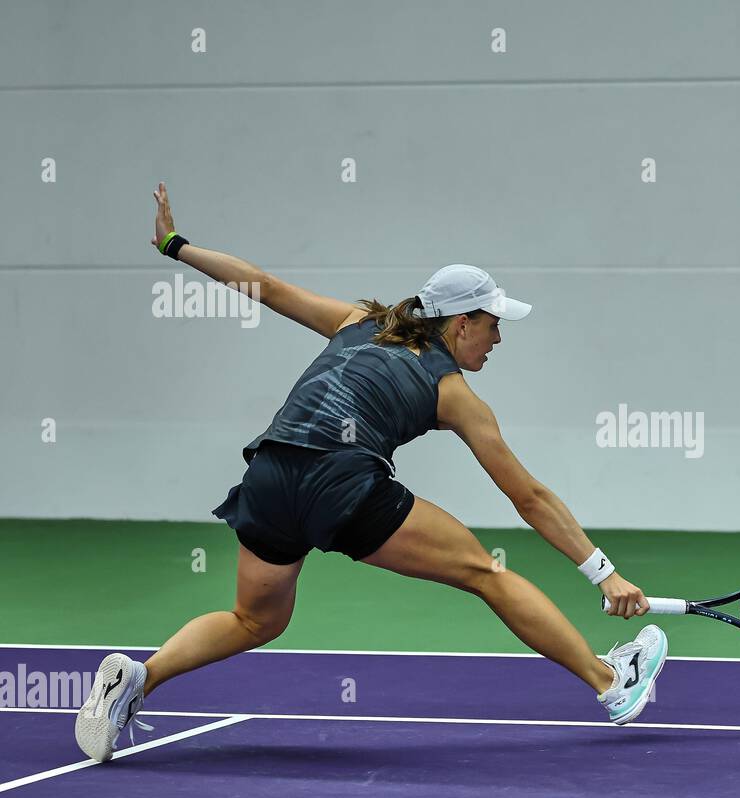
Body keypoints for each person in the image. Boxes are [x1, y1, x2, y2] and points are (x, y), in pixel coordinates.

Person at [74, 183, 668, 762]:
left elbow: (267, 288)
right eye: (492, 324)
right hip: (340, 479)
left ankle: (139, 678)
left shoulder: (360, 321)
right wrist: (604, 574)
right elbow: (530, 497)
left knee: (256, 618)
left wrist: (175, 244)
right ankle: (610, 681)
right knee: (487, 573)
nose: (498, 337)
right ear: (461, 324)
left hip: (270, 474)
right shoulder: (454, 393)